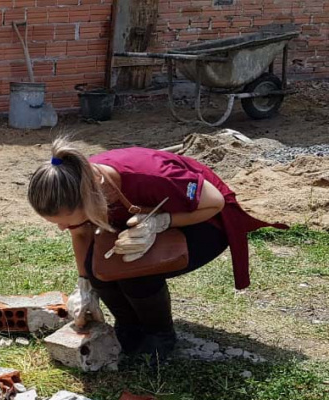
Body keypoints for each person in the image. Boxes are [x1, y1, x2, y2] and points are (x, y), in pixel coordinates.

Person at [27, 138, 286, 359]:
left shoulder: (149, 175)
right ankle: (129, 326)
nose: (61, 228)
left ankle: (160, 334)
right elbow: (81, 234)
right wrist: (85, 286)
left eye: (63, 220)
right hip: (147, 218)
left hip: (204, 221)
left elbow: (214, 203)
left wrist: (161, 222)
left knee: (135, 269)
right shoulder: (76, 183)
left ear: (89, 199)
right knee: (99, 269)